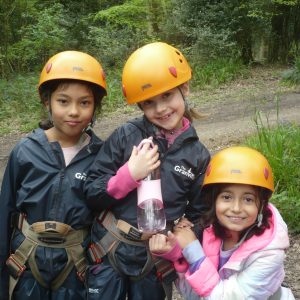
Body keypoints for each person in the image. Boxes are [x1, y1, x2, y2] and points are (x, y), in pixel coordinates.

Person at [84, 42, 211, 300]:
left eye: (167, 96)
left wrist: (184, 232)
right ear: (140, 106)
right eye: (150, 103)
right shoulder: (126, 136)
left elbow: (201, 213)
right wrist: (129, 175)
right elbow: (91, 191)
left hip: (154, 258)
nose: (161, 109)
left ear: (184, 88)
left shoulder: (197, 155)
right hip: (110, 248)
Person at [0, 50, 107, 300]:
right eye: (63, 101)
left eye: (84, 102)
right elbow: (5, 212)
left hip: (75, 270)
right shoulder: (25, 152)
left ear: (95, 107)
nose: (73, 111)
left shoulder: (102, 156)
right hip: (26, 265)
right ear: (47, 101)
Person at [149, 146, 295, 300]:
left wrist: (193, 250)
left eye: (248, 199)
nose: (236, 208)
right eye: (227, 197)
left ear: (261, 205)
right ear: (214, 200)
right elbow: (195, 295)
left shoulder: (269, 253)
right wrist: (176, 254)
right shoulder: (210, 232)